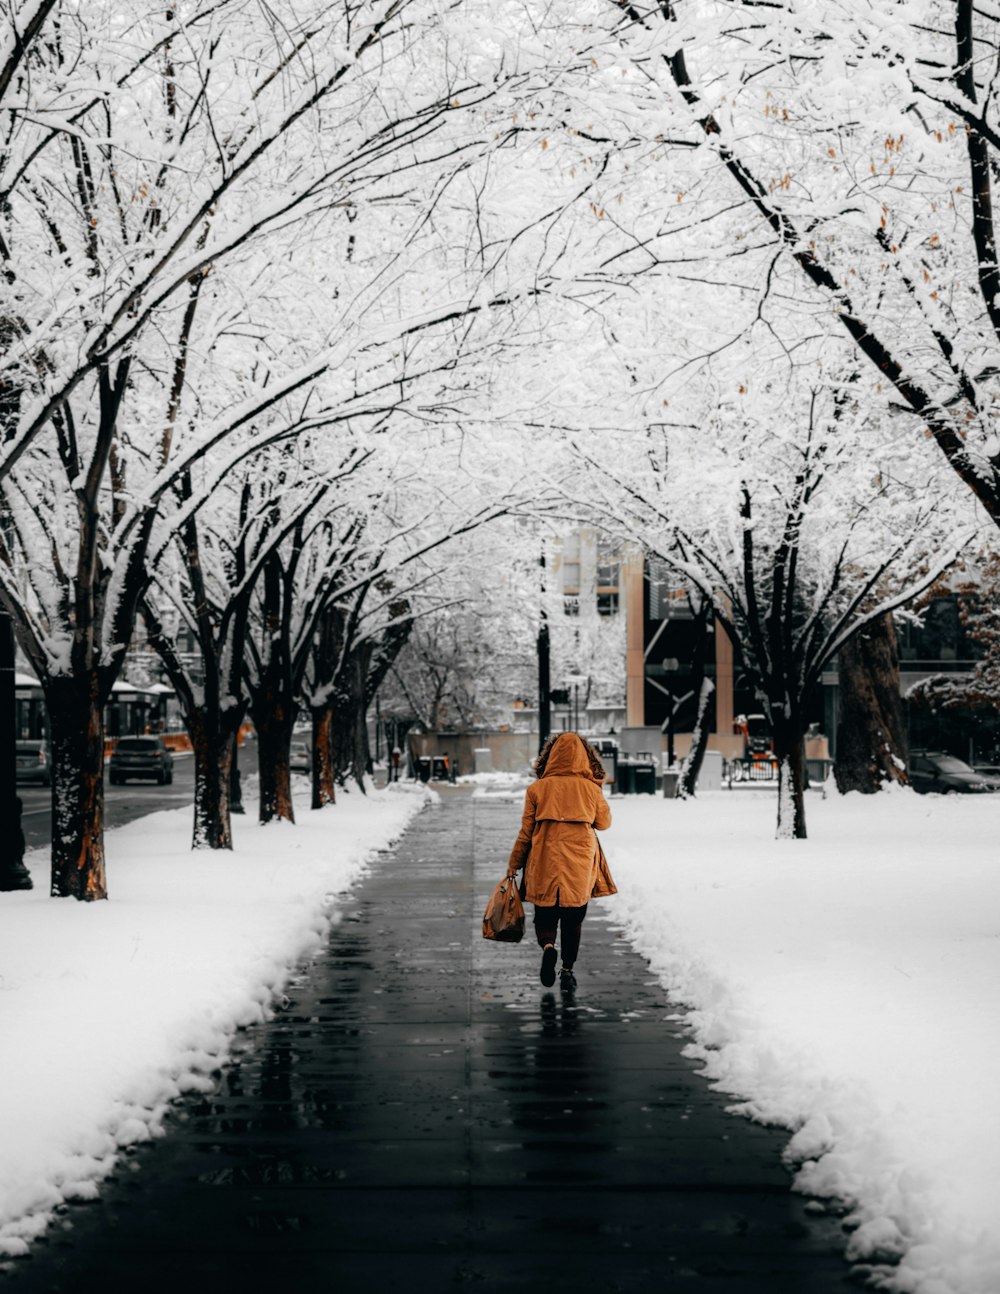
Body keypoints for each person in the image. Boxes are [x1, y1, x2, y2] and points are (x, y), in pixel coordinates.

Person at [506, 731, 615, 992]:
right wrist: (595, 788)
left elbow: (526, 832)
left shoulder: (537, 789)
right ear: (584, 757)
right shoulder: (590, 789)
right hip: (579, 860)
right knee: (573, 917)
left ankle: (548, 947)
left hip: (544, 857)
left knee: (544, 914)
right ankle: (567, 970)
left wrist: (515, 863)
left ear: (551, 757)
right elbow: (604, 823)